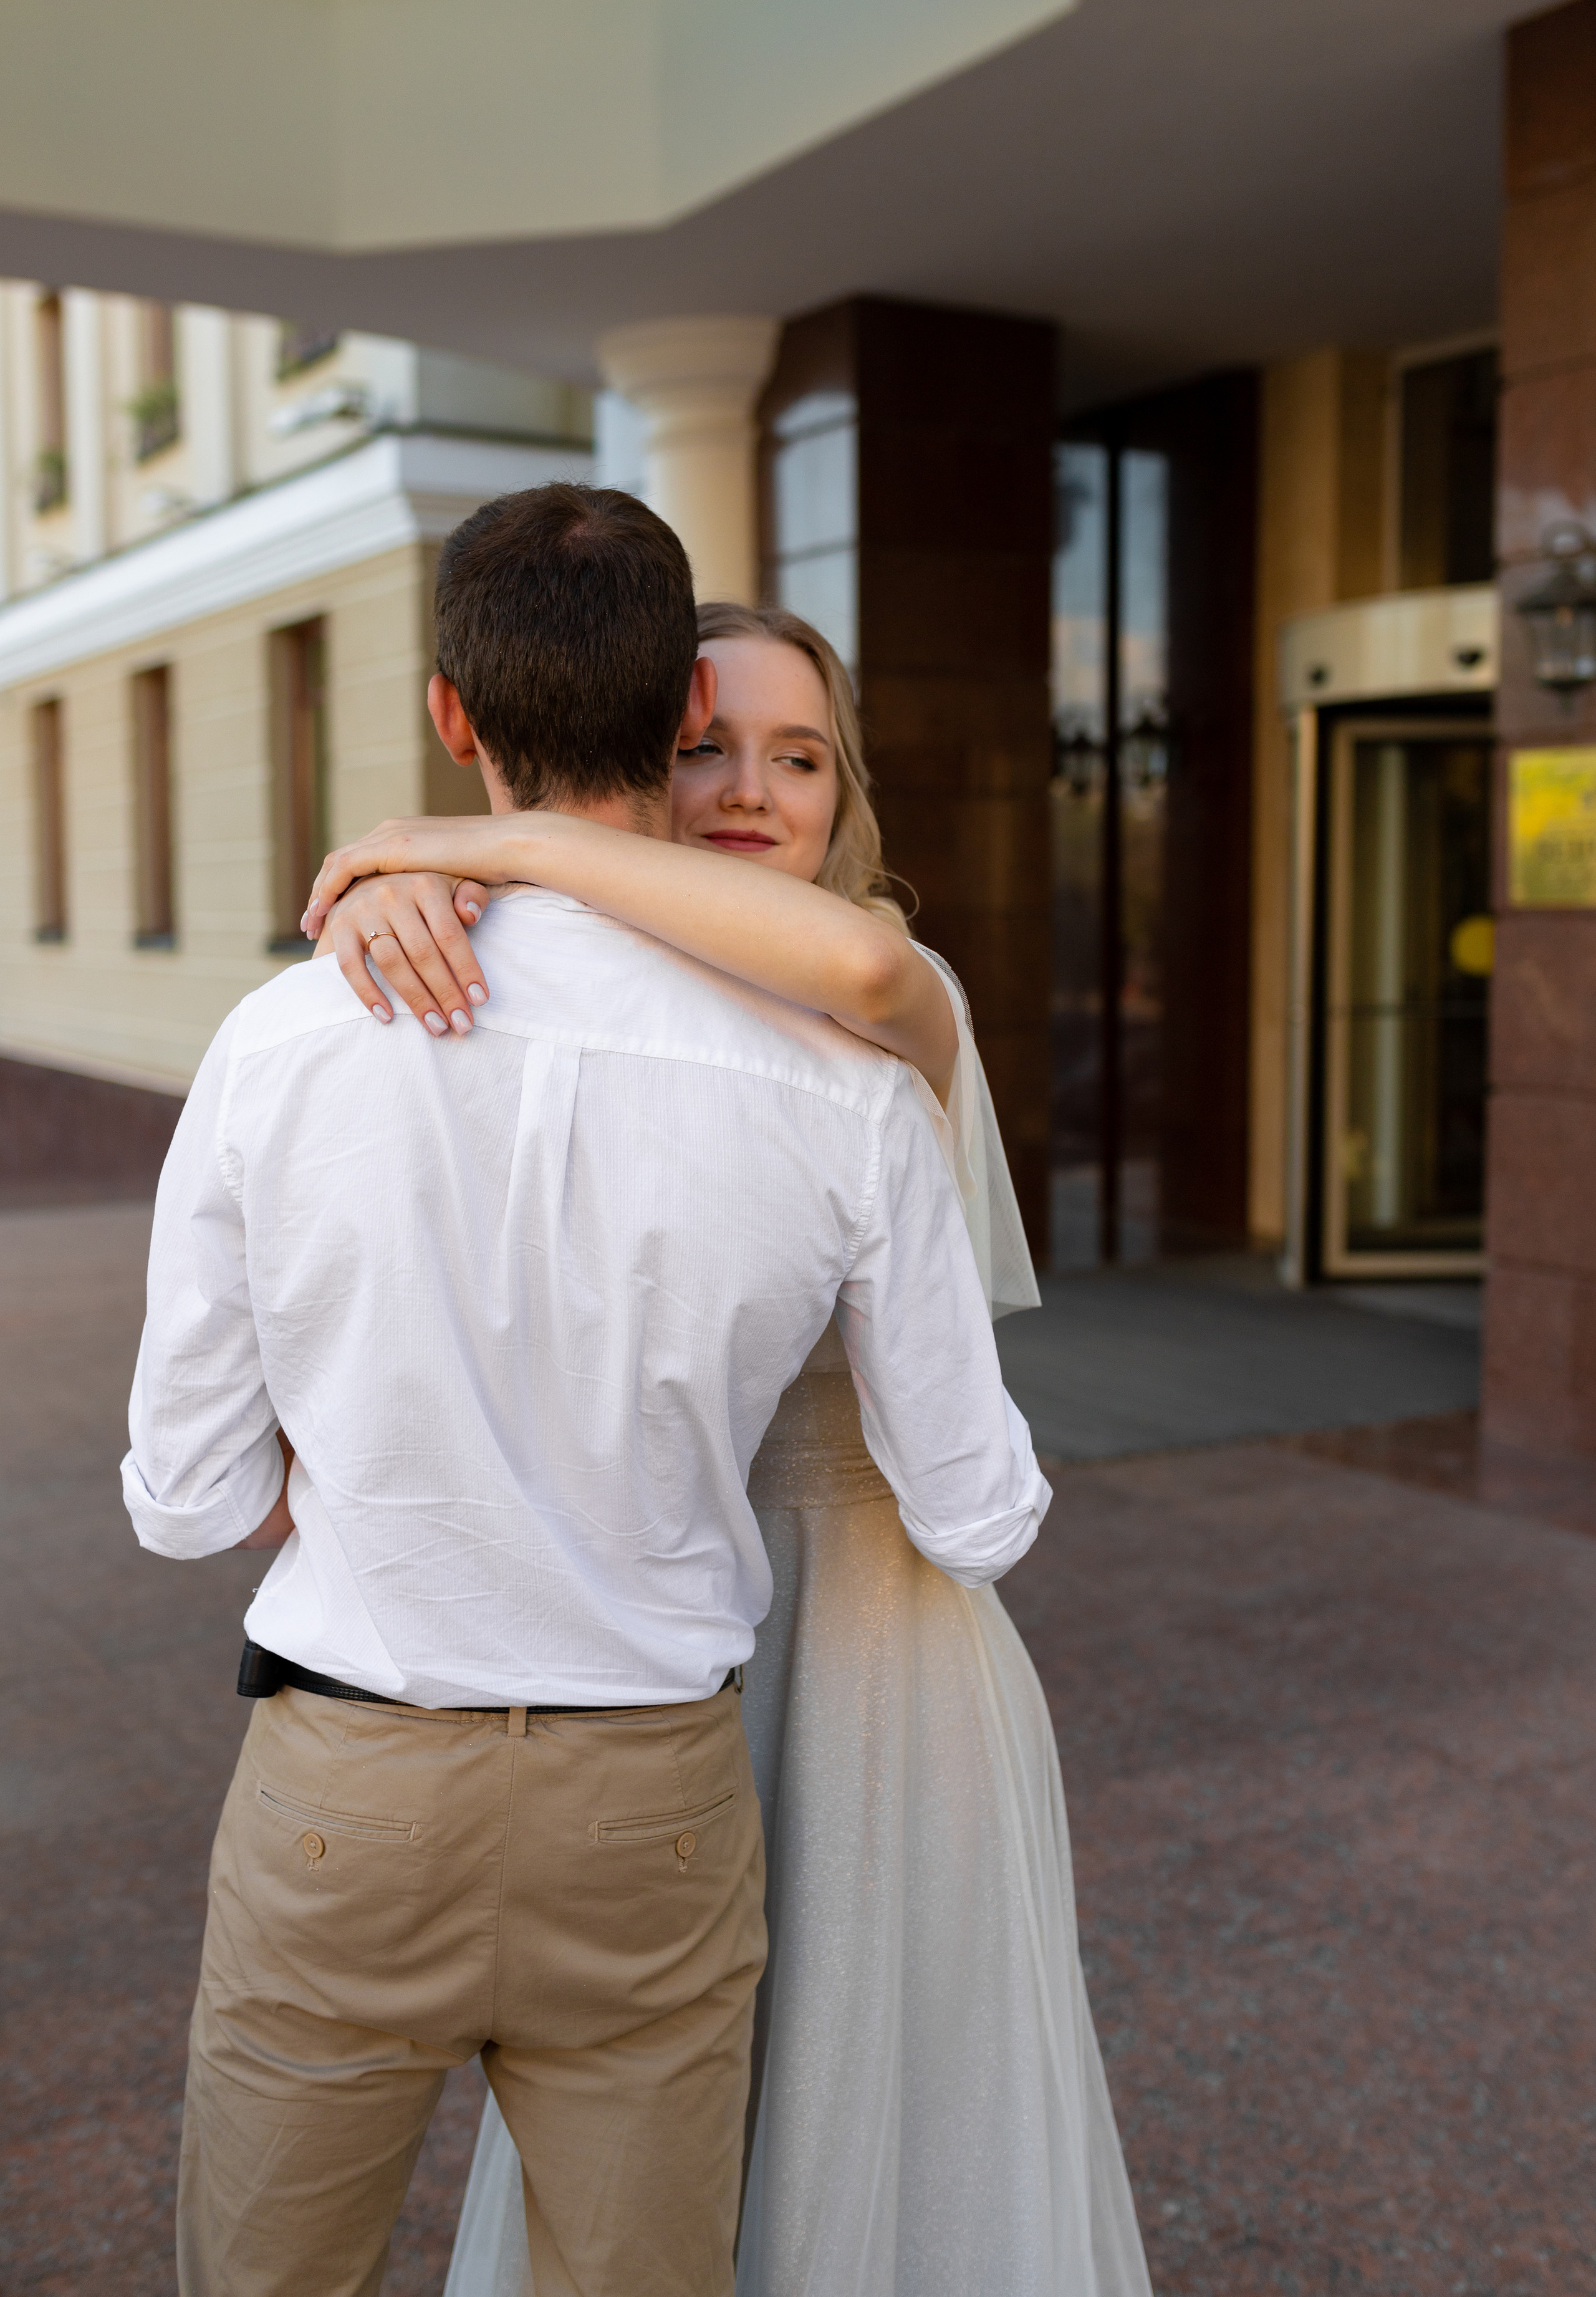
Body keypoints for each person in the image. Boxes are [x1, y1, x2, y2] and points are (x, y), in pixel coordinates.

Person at [123, 488, 1050, 2297]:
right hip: (662, 1789)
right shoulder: (842, 1086)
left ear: (452, 715)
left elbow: (183, 1501)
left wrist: (356, 1467)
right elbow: (983, 1512)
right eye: (726, 745)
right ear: (673, 716)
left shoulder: (286, 1033)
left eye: (802, 757)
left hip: (350, 1778)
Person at [302, 599, 1155, 2296]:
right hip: (630, 1644)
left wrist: (462, 842)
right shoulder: (515, 974)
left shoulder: (893, 991)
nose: (758, 790)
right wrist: (416, 890)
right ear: (636, 758)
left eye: (803, 757)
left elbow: (863, 976)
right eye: (708, 748)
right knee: (630, 2138)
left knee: (880, 2093)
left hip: (875, 1636)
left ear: (847, 796)